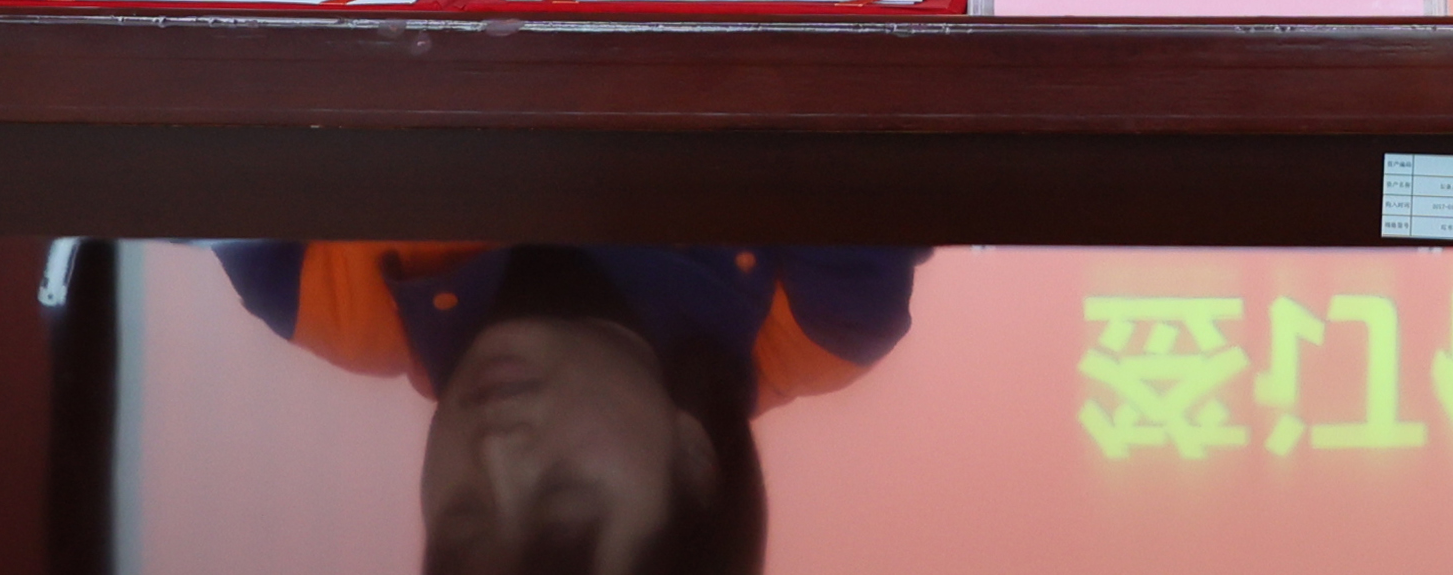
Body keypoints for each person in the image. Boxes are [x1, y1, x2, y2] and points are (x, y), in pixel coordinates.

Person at [211, 240, 926, 575]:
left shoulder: (320, 291)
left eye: (462, 518)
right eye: (564, 497)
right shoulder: (822, 316)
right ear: (693, 461)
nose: (494, 452)